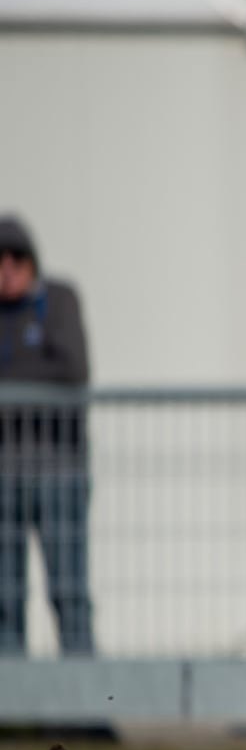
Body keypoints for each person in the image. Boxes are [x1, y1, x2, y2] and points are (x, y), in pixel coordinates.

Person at [0, 214, 93, 656]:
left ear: (31, 261)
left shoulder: (58, 300)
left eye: (16, 259)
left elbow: (73, 371)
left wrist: (13, 388)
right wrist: (36, 382)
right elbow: (50, 374)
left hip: (60, 472)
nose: (7, 270)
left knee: (70, 591)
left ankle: (88, 708)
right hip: (4, 477)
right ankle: (12, 709)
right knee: (5, 596)